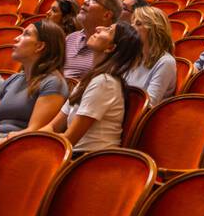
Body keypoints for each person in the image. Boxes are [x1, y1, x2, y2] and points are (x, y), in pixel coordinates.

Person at [45, 20, 142, 153]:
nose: (98, 27)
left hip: (90, 161)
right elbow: (53, 127)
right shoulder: (89, 79)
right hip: (74, 154)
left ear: (110, 47)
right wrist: (26, 138)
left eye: (108, 30)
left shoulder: (105, 83)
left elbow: (69, 139)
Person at [0, 21, 68, 138]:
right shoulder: (13, 79)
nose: (16, 38)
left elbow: (35, 132)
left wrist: (1, 142)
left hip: (18, 146)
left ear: (39, 46)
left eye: (26, 34)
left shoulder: (53, 82)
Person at [63, 0, 123, 80]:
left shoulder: (112, 48)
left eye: (93, 0)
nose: (85, 2)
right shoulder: (71, 38)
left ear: (106, 15)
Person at [126, 5, 177, 106]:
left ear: (154, 30)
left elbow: (149, 104)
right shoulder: (134, 56)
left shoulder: (165, 62)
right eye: (132, 23)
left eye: (138, 23)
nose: (131, 27)